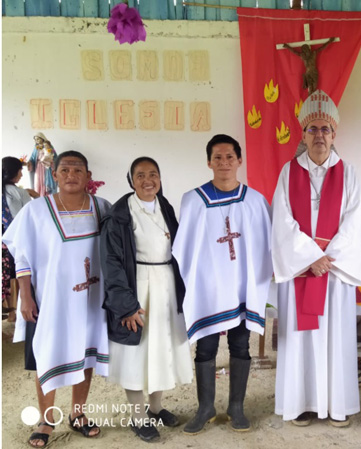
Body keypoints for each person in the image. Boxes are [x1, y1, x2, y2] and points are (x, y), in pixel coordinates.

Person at [271, 90, 361, 427]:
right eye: (312, 129)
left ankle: (336, 405)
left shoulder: (349, 173)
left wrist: (327, 259)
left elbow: (355, 222)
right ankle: (300, 404)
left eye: (325, 129)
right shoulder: (288, 172)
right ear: (303, 134)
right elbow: (281, 222)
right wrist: (310, 258)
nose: (319, 136)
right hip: (302, 272)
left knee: (335, 340)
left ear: (334, 134)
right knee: (300, 339)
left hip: (334, 273)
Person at [3, 151, 111, 448]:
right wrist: (25, 296)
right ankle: (46, 419)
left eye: (78, 170)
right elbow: (20, 252)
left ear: (89, 176)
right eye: (65, 169)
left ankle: (78, 414)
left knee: (86, 354)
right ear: (56, 175)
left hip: (91, 298)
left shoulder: (103, 208)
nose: (71, 175)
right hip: (50, 300)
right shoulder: (36, 211)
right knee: (47, 354)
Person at [172, 134, 272, 434]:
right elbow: (184, 248)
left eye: (230, 156)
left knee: (241, 344)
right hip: (209, 288)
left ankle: (236, 407)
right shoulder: (193, 200)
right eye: (218, 157)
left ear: (239, 160)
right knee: (206, 347)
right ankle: (205, 408)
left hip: (242, 285)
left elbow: (265, 245)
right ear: (208, 162)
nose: (224, 162)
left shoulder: (255, 201)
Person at [100, 157, 193, 442]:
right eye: (140, 175)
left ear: (160, 179)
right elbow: (112, 263)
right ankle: (138, 417)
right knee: (137, 355)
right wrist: (125, 306)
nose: (147, 180)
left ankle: (155, 409)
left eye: (153, 174)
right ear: (131, 180)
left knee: (160, 348)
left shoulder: (165, 207)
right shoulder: (119, 215)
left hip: (165, 286)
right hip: (137, 287)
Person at [2, 156, 37, 323]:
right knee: (17, 277)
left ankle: (9, 313)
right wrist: (36, 196)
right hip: (12, 242)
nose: (21, 175)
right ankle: (13, 313)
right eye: (20, 171)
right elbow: (26, 219)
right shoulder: (19, 192)